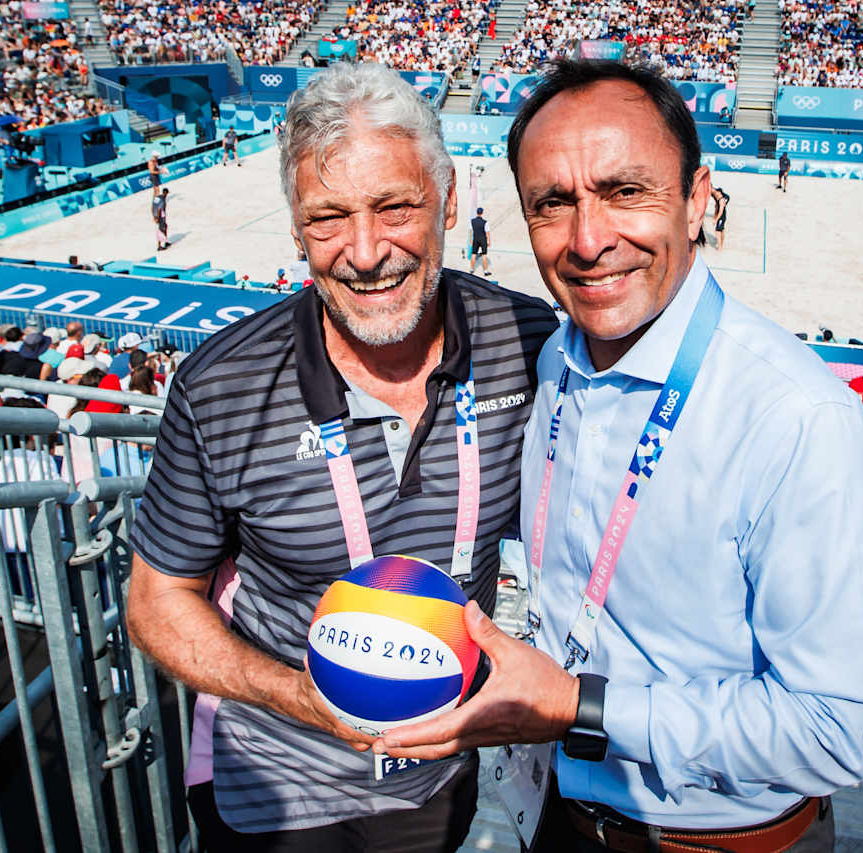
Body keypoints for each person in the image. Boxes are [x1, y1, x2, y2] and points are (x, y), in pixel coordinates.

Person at [376, 59, 863, 852]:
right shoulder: (557, 360)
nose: (588, 240)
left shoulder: (795, 417)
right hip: (557, 813)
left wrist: (583, 705)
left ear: (697, 200)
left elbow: (844, 726)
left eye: (626, 191)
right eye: (553, 204)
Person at [124, 63, 557, 848]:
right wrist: (292, 693)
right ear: (295, 227)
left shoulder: (526, 346)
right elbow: (156, 602)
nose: (364, 252)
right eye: (328, 218)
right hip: (273, 780)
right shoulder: (220, 385)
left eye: (395, 207)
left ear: (450, 198)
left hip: (433, 772)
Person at [468, 207, 490, 277]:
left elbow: (470, 231)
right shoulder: (485, 222)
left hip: (476, 239)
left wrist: (471, 240)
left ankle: (471, 269)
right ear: (482, 213)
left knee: (473, 254)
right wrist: (489, 241)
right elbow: (487, 233)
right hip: (483, 239)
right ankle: (486, 271)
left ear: (477, 213)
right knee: (484, 255)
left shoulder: (472, 221)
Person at [710, 183, 729, 251]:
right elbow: (716, 207)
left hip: (722, 216)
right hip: (722, 214)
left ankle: (720, 248)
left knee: (718, 231)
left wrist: (716, 219)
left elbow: (720, 212)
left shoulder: (721, 199)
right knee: (721, 229)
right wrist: (715, 216)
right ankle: (721, 244)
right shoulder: (714, 195)